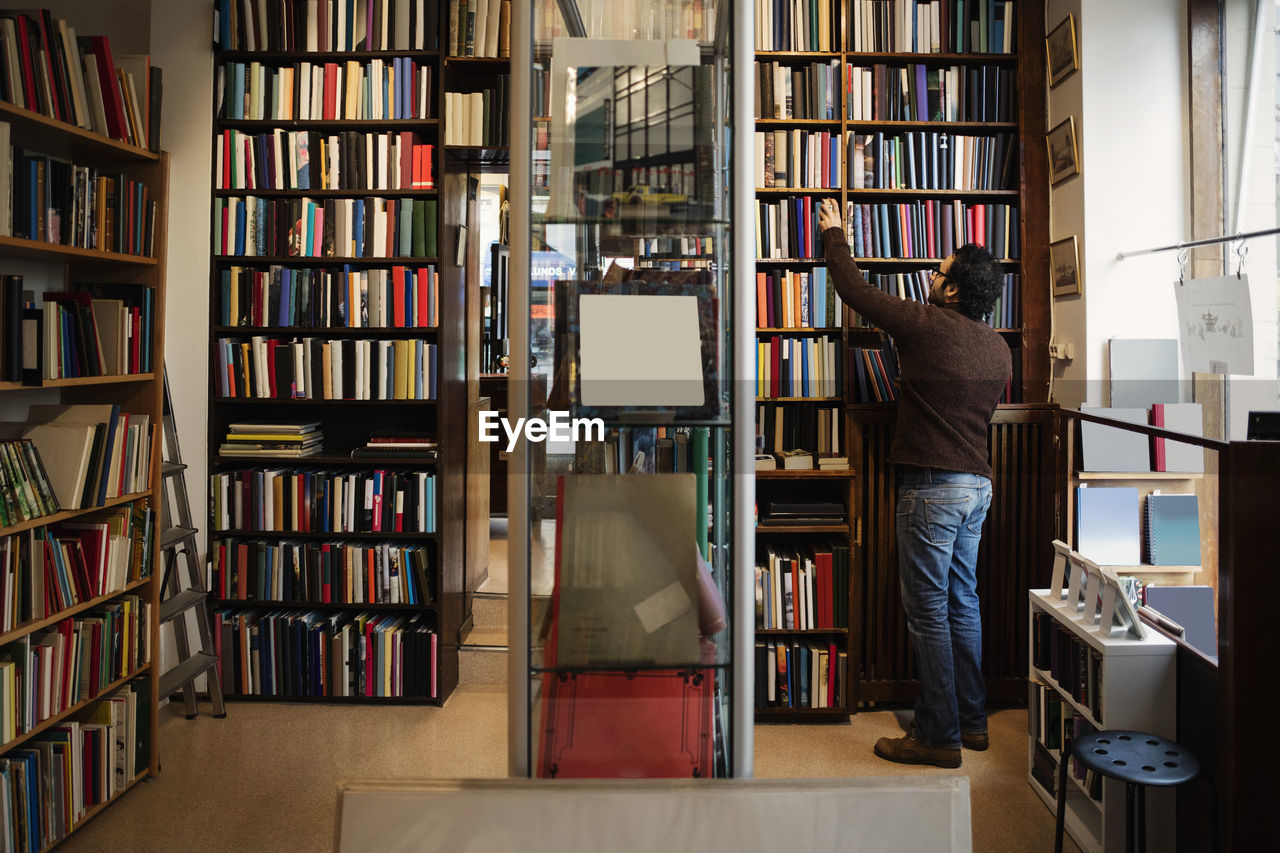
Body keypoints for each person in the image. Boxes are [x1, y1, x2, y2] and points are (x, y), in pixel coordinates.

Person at [816, 198, 1011, 768]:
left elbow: (854, 291)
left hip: (932, 489)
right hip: (978, 487)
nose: (931, 275)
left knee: (928, 612)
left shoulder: (926, 323)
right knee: (963, 604)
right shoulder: (997, 347)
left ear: (951, 291)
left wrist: (834, 233)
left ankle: (936, 735)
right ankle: (972, 724)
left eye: (940, 271)